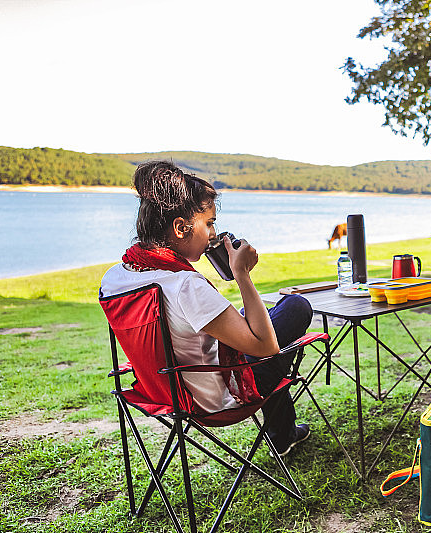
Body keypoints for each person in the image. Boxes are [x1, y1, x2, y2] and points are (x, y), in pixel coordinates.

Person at [100, 160, 313, 456]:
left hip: (162, 389)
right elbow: (267, 347)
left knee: (251, 320)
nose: (213, 234)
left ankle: (283, 432)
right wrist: (242, 274)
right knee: (295, 307)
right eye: (210, 223)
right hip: (216, 398)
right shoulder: (185, 285)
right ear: (180, 228)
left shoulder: (115, 277)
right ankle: (282, 433)